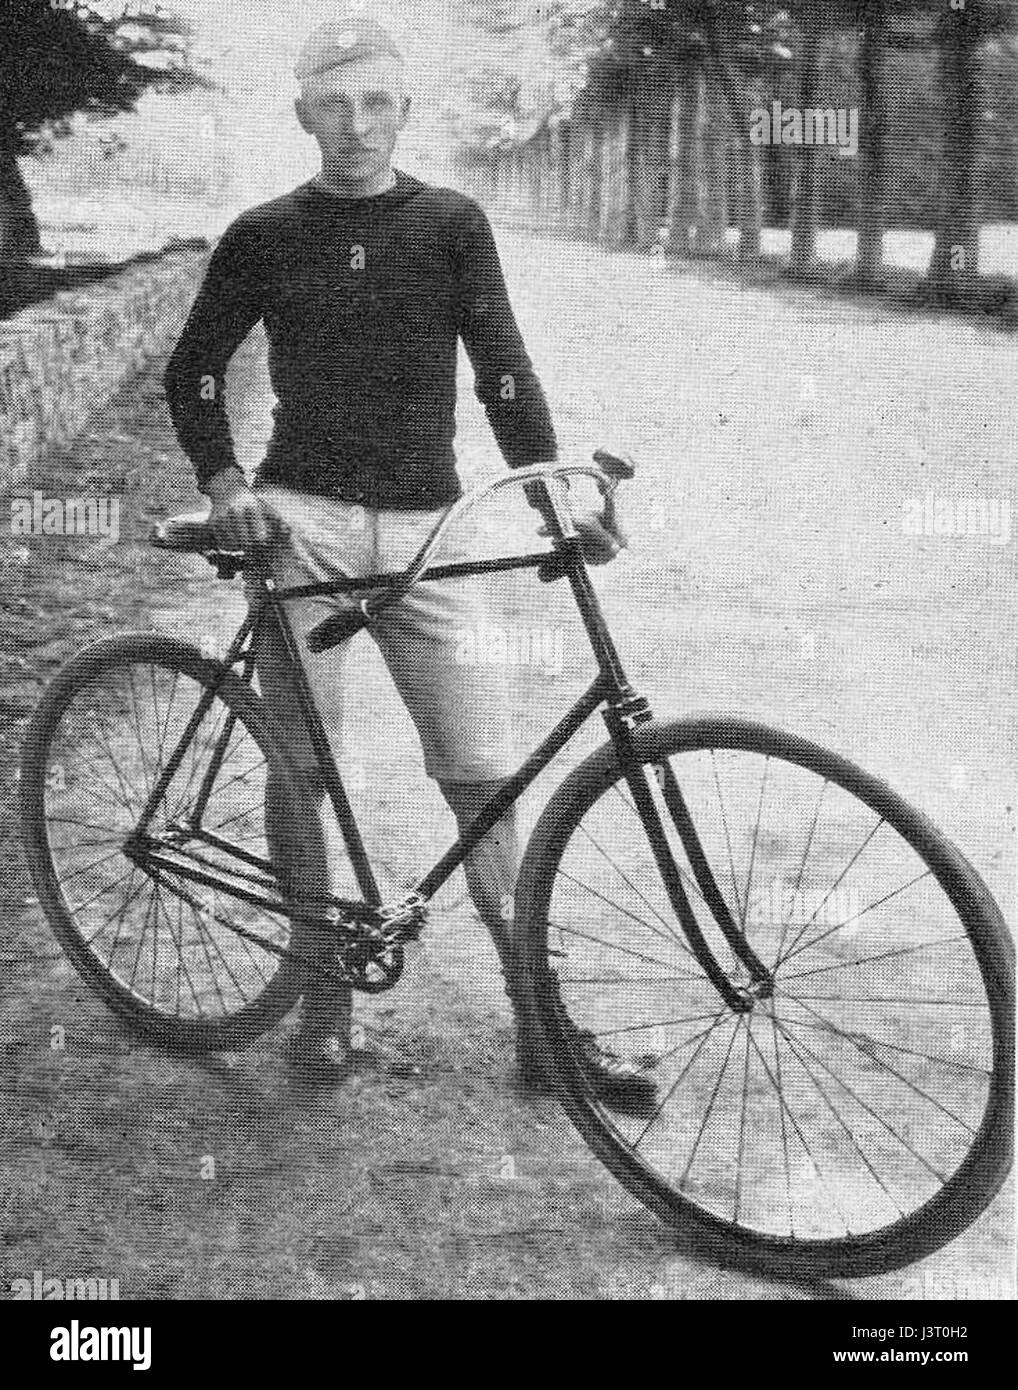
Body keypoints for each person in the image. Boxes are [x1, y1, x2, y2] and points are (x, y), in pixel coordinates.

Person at [164, 13, 655, 1112]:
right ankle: (322, 990)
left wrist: (554, 484)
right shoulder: (262, 234)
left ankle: (541, 1020)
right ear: (302, 114)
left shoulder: (449, 222)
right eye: (333, 104)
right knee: (303, 765)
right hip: (302, 525)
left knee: (481, 770)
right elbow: (194, 372)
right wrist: (226, 485)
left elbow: (503, 370)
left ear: (403, 110)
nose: (354, 124)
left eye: (375, 102)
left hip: (433, 527)